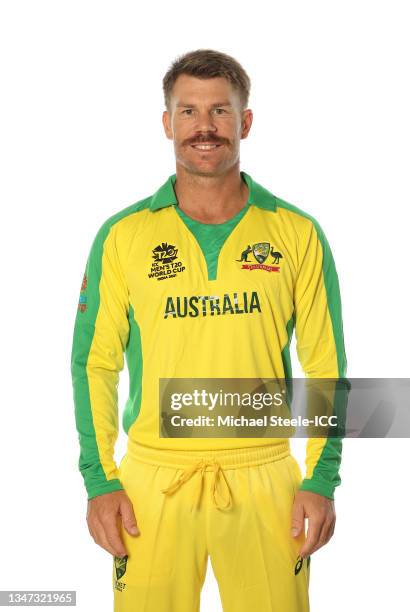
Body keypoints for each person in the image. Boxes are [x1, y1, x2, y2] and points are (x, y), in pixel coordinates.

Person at [70, 48, 347, 612]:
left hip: (267, 477)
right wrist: (100, 481)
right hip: (152, 480)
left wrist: (322, 479)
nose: (205, 127)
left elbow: (327, 366)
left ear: (244, 122)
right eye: (189, 111)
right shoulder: (122, 236)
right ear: (168, 123)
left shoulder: (297, 233)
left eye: (220, 111)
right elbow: (94, 364)